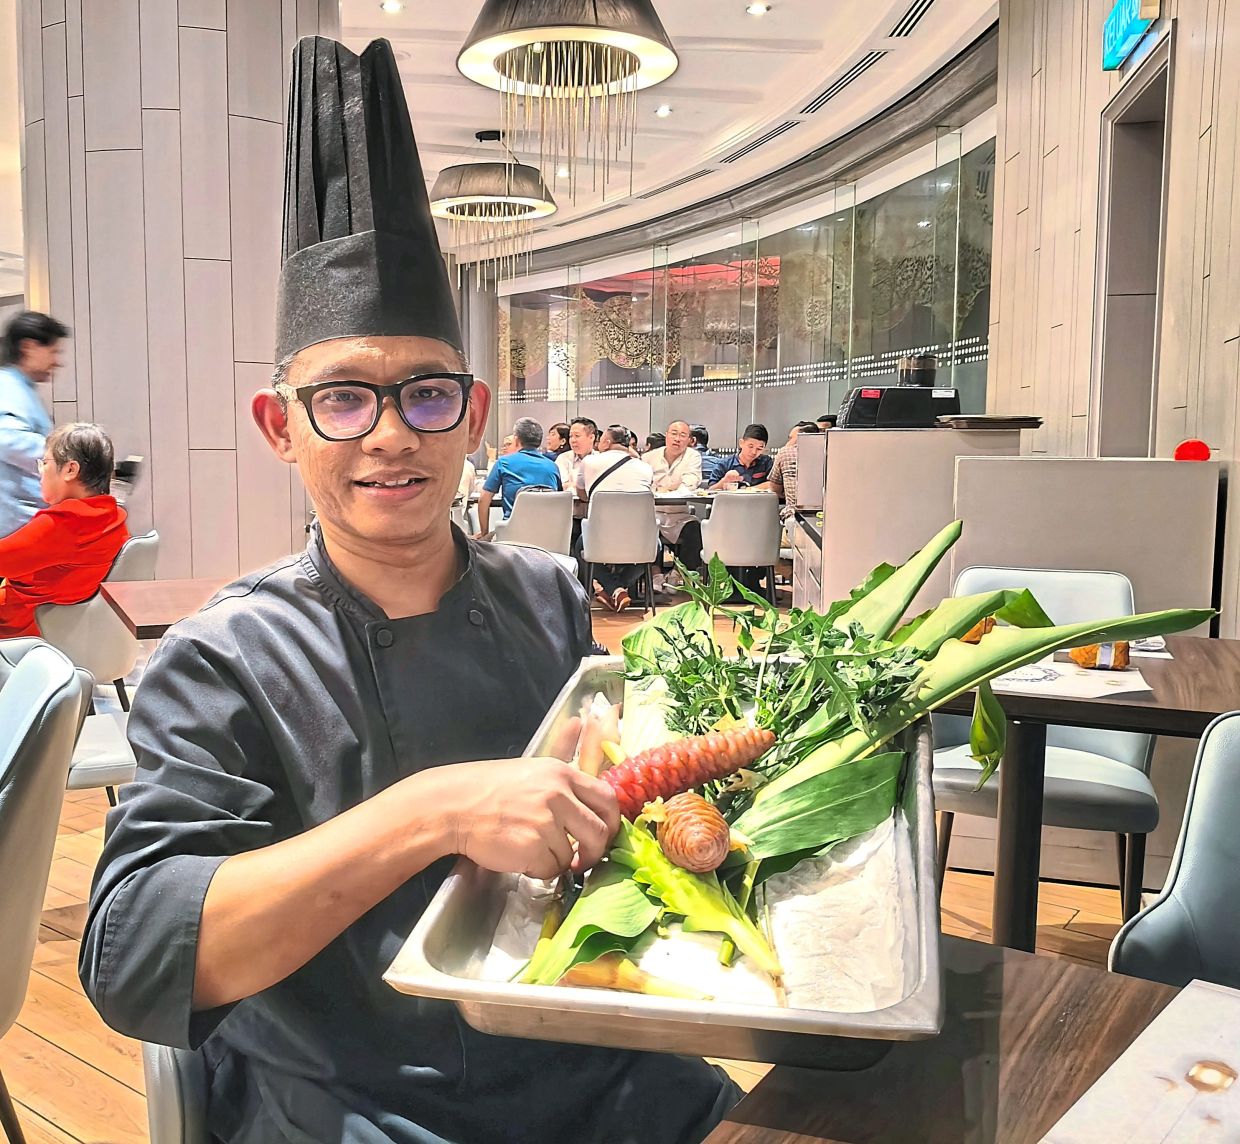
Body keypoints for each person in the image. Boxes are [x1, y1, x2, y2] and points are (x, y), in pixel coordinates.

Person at [79, 37, 736, 1144]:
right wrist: (429, 813)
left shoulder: (545, 594)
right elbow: (135, 952)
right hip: (363, 1104)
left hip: (606, 1064)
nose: (390, 435)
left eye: (425, 394)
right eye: (342, 398)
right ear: (277, 426)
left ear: (472, 416)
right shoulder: (221, 658)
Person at [0, 422, 129, 637]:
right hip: (61, 631)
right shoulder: (113, 517)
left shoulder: (68, 522)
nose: (40, 471)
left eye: (45, 462)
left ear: (70, 469)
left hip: (16, 633)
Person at [0, 310, 67, 538]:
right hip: (15, 528)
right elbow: (8, 441)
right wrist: (70, 460)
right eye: (53, 351)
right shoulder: (6, 388)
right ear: (28, 347)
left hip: (27, 525)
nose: (57, 361)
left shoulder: (20, 390)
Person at [579, 424, 655, 611]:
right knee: (656, 547)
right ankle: (619, 588)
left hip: (601, 538)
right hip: (639, 540)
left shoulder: (589, 462)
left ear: (606, 442)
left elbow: (582, 494)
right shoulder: (645, 468)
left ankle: (613, 588)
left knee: (580, 544)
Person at [476, 416, 562, 536]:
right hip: (547, 536)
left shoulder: (504, 463)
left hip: (513, 536)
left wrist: (484, 533)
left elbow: (483, 499)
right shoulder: (553, 467)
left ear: (516, 439)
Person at [645, 420, 704, 588]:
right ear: (666, 436)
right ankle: (655, 576)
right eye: (674, 434)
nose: (677, 439)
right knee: (642, 530)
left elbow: (689, 485)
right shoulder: (649, 457)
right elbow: (645, 487)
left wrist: (664, 489)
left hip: (680, 515)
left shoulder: (693, 457)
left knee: (696, 530)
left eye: (682, 435)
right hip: (652, 513)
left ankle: (677, 574)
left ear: (690, 440)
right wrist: (671, 487)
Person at [555, 415, 598, 548]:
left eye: (577, 436)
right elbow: (562, 486)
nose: (572, 440)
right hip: (570, 517)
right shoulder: (563, 459)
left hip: (596, 517)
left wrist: (574, 484)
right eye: (570, 436)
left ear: (591, 437)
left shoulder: (601, 459)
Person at [768, 421, 820, 522]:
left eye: (791, 438)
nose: (788, 442)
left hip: (794, 515)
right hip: (824, 517)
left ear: (803, 437)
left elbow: (774, 489)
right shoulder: (828, 453)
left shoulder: (785, 452)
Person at [711, 423, 773, 490]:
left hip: (758, 500)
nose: (754, 452)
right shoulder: (724, 464)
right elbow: (711, 489)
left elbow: (773, 484)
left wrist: (748, 490)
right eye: (750, 446)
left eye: (759, 449)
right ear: (741, 443)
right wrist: (724, 481)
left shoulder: (766, 462)